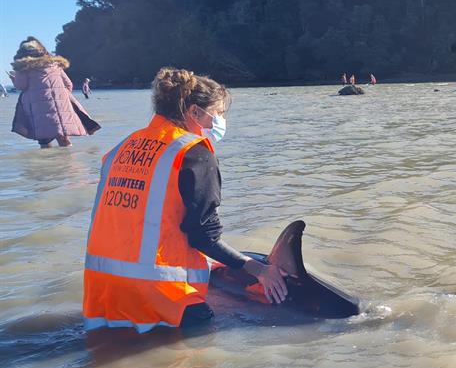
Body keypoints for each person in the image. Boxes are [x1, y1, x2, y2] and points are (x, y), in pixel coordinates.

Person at [83, 67, 288, 333]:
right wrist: (259, 270)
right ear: (194, 112)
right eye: (218, 113)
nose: (221, 120)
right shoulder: (193, 153)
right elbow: (203, 236)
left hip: (103, 293)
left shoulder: (121, 148)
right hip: (160, 297)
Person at [9, 36, 100, 148]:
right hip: (61, 109)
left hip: (39, 111)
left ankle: (50, 165)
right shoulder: (55, 65)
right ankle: (69, 164)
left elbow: (21, 86)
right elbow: (69, 85)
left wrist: (14, 79)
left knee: (45, 142)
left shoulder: (23, 68)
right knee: (64, 139)